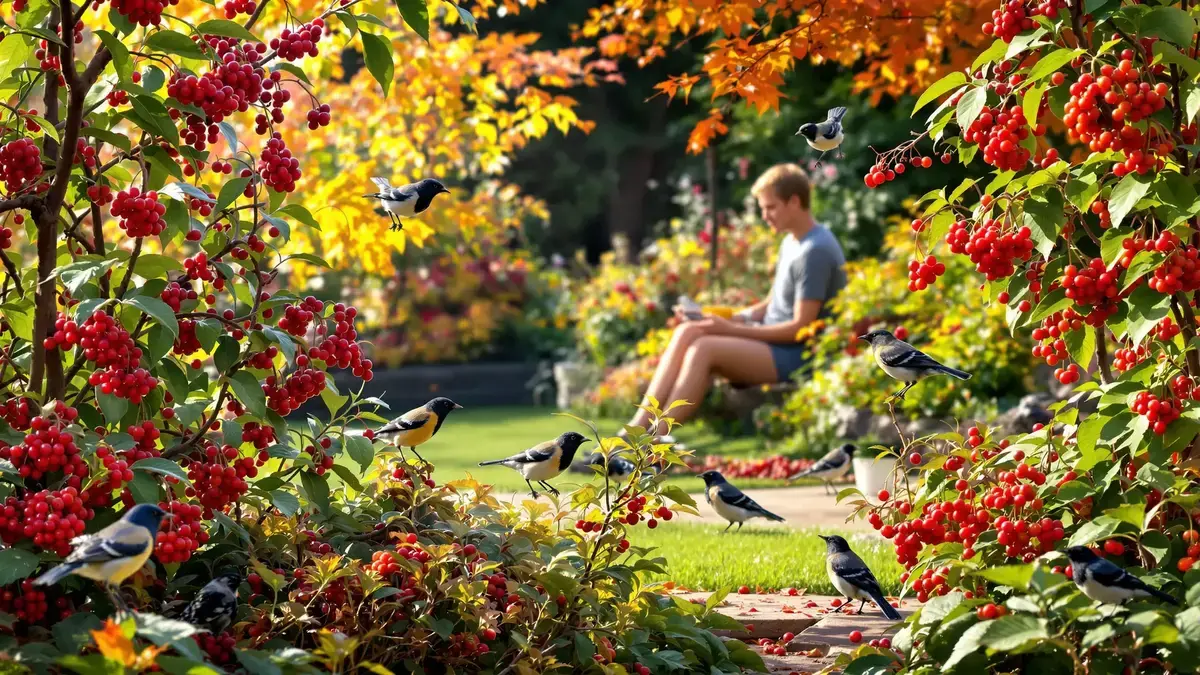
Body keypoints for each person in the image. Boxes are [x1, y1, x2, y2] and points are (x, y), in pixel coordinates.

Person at [623, 162, 847, 440]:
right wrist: (719, 317)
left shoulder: (815, 251)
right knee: (689, 330)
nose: (764, 216)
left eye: (770, 207)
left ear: (794, 202)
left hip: (797, 356)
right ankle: (633, 433)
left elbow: (799, 328)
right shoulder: (792, 242)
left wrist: (727, 328)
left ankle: (651, 443)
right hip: (773, 346)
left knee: (704, 348)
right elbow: (771, 303)